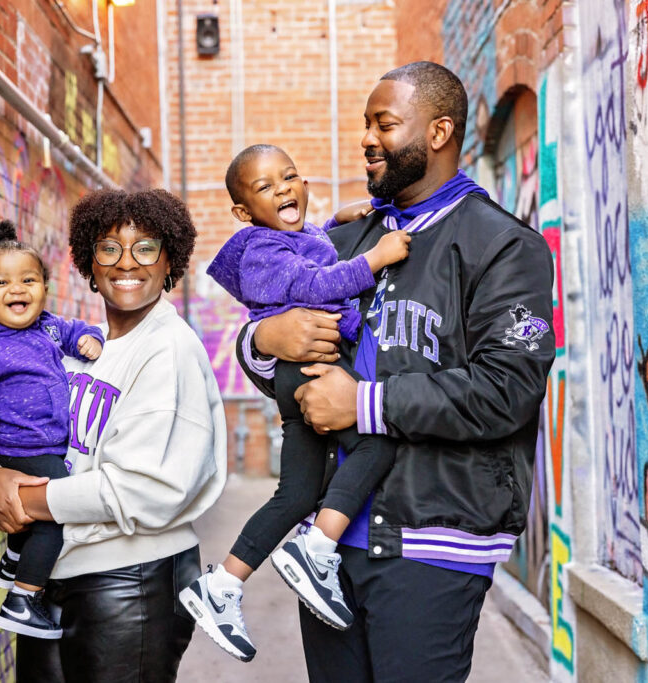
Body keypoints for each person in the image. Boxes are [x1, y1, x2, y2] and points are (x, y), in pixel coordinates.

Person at [235, 61, 555, 682]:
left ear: (438, 132)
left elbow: (507, 390)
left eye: (383, 125)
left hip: (433, 542)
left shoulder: (502, 245)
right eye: (365, 125)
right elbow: (285, 361)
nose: (366, 139)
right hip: (323, 547)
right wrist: (262, 341)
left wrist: (363, 404)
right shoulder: (343, 244)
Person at [0, 189, 227, 682]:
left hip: (132, 583)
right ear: (90, 261)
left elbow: (145, 488)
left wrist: (22, 498)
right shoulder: (72, 346)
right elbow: (8, 431)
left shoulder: (169, 350)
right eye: (109, 248)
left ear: (169, 259)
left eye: (145, 247)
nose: (127, 262)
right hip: (48, 577)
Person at [179, 144, 410, 662]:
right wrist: (374, 258)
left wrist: (336, 221)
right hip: (302, 367)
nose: (283, 188)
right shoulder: (259, 251)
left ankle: (222, 586)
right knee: (375, 442)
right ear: (243, 212)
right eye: (265, 187)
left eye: (289, 177)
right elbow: (313, 282)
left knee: (297, 492)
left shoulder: (286, 238)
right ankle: (317, 548)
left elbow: (305, 251)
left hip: (298, 369)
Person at [0, 219, 104, 639]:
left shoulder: (48, 326)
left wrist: (90, 339)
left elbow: (75, 331)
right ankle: (22, 600)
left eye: (28, 280)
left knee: (33, 514)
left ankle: (14, 559)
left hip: (46, 444)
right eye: (1, 283)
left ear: (44, 287)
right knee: (54, 516)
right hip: (19, 447)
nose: (17, 289)